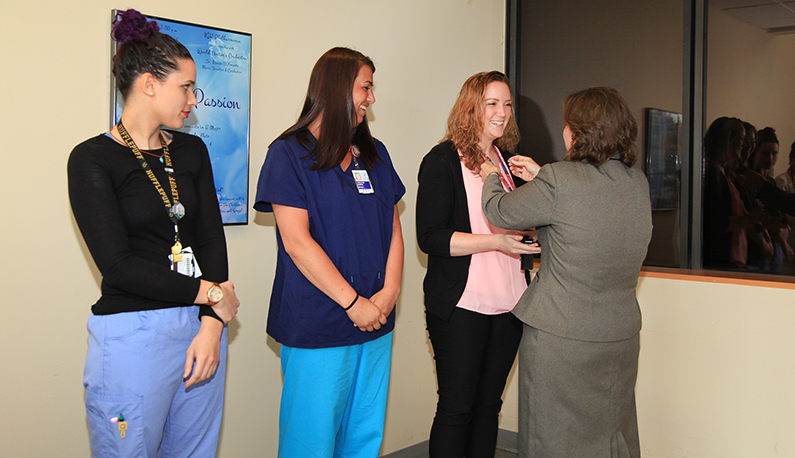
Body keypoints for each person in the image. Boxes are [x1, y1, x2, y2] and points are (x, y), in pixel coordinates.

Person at [67, 9, 240, 457]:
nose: (193, 99)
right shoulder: (91, 160)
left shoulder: (190, 149)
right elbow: (118, 267)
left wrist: (210, 325)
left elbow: (210, 240)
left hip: (199, 331)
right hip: (132, 338)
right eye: (185, 87)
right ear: (148, 84)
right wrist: (213, 296)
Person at [480, 86, 652, 457]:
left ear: (580, 131)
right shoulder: (635, 182)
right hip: (618, 337)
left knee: (552, 439)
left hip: (561, 338)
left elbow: (500, 211)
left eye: (566, 125)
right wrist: (543, 176)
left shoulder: (560, 180)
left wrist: (491, 174)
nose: (563, 132)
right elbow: (591, 213)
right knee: (610, 435)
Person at [254, 47, 405, 458]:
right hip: (319, 323)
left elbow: (392, 229)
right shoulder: (287, 155)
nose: (371, 98)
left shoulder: (374, 156)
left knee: (362, 436)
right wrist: (352, 302)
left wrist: (389, 293)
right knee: (312, 440)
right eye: (366, 87)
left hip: (375, 321)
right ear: (338, 88)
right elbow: (297, 243)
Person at [416, 71, 540, 458]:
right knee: (457, 409)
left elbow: (525, 225)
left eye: (506, 104)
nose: (502, 113)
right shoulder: (442, 160)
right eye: (491, 103)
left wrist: (537, 189)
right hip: (461, 306)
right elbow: (431, 237)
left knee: (489, 409)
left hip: (511, 305)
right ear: (471, 107)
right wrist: (495, 242)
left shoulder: (508, 164)